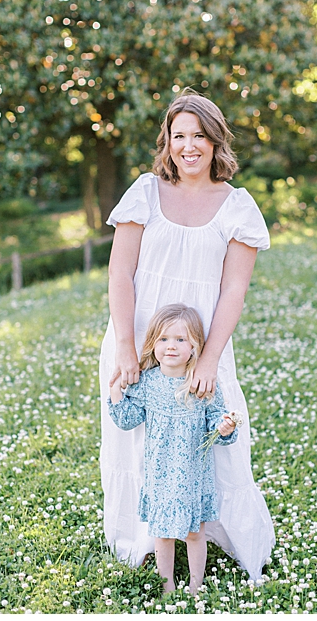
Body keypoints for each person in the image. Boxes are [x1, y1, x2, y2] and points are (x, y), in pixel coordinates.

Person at [99, 88, 275, 582]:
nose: (189, 146)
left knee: (211, 439)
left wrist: (210, 360)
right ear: (167, 141)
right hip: (138, 340)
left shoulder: (238, 207)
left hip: (203, 350)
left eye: (199, 135)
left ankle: (209, 531)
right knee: (141, 440)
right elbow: (119, 274)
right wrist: (128, 350)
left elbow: (233, 290)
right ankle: (146, 540)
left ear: (216, 141)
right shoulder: (144, 192)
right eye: (179, 135)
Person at [107, 303, 238, 594]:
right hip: (160, 474)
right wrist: (116, 391)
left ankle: (195, 584)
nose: (171, 347)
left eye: (180, 340)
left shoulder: (200, 383)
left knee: (194, 532)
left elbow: (216, 419)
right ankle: (166, 585)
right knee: (162, 534)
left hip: (192, 474)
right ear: (153, 343)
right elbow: (128, 419)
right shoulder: (148, 382)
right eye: (164, 339)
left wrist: (225, 426)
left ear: (194, 346)